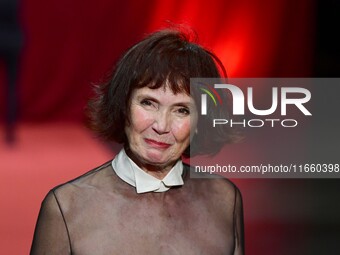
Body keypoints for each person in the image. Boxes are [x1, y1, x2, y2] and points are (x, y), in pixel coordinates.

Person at [30, 28, 244, 255]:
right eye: (148, 103)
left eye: (181, 110)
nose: (161, 125)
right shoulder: (67, 207)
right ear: (123, 105)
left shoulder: (225, 199)